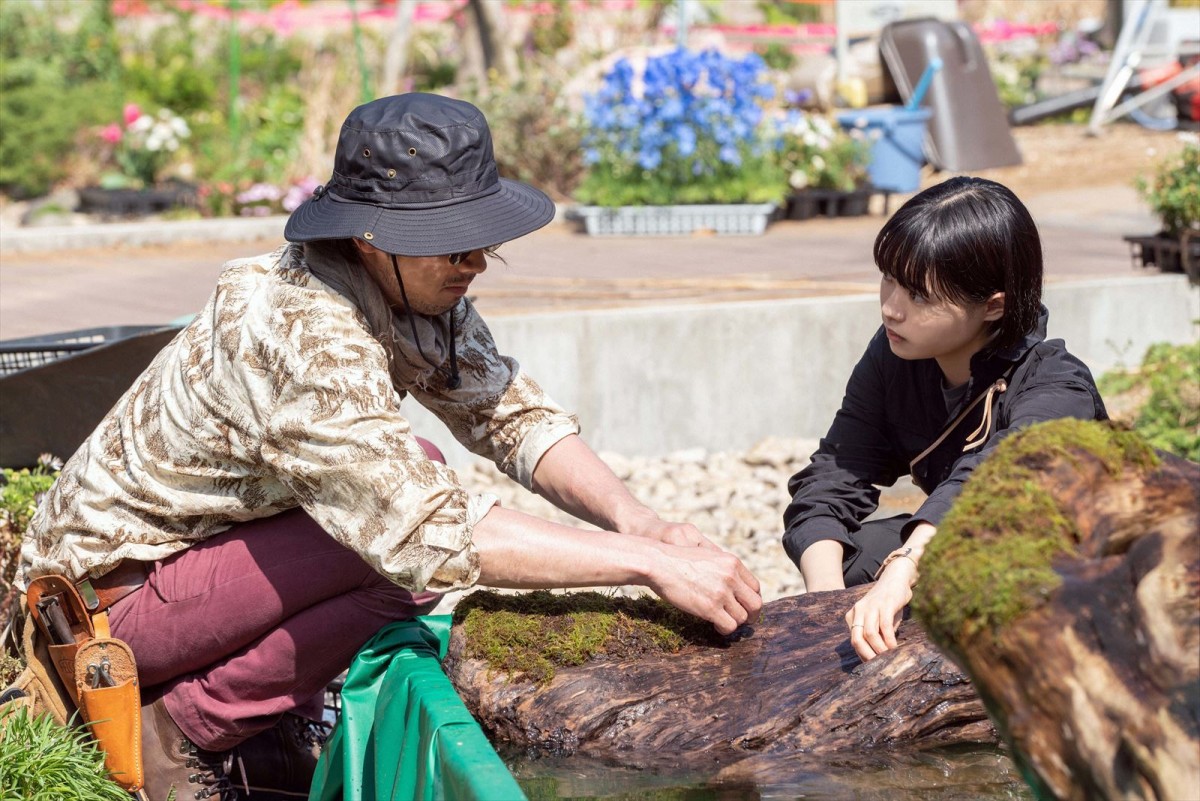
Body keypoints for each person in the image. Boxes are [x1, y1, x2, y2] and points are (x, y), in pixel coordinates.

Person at [19, 93, 762, 801]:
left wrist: (640, 522)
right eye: (452, 239)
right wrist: (650, 565)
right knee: (400, 556)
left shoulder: (410, 289)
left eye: (482, 234)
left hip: (194, 569)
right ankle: (182, 727)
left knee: (419, 483)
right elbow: (422, 532)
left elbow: (508, 413)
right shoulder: (302, 328)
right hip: (109, 609)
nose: (476, 258)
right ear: (372, 234)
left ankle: (256, 721)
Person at [781, 176, 1106, 664]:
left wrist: (904, 567)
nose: (891, 307)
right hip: (956, 556)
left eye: (919, 295)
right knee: (849, 558)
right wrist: (825, 600)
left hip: (1078, 573)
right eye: (888, 278)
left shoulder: (1058, 386)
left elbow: (992, 485)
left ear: (993, 306)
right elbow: (838, 470)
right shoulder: (897, 354)